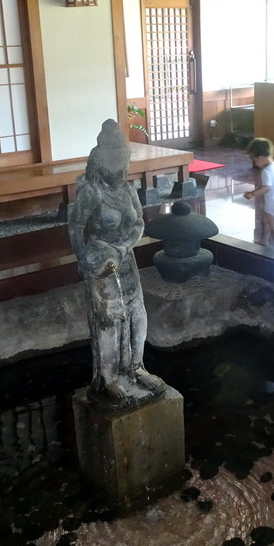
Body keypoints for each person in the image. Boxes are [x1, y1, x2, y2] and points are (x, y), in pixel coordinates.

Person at [68, 119, 167, 408]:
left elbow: (139, 221)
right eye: (115, 169)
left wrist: (124, 247)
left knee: (137, 312)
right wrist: (83, 259)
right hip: (101, 260)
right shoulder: (92, 193)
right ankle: (110, 376)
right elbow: (75, 227)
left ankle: (137, 367)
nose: (121, 174)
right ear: (100, 166)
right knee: (109, 318)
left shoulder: (127, 190)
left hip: (125, 257)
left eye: (123, 167)